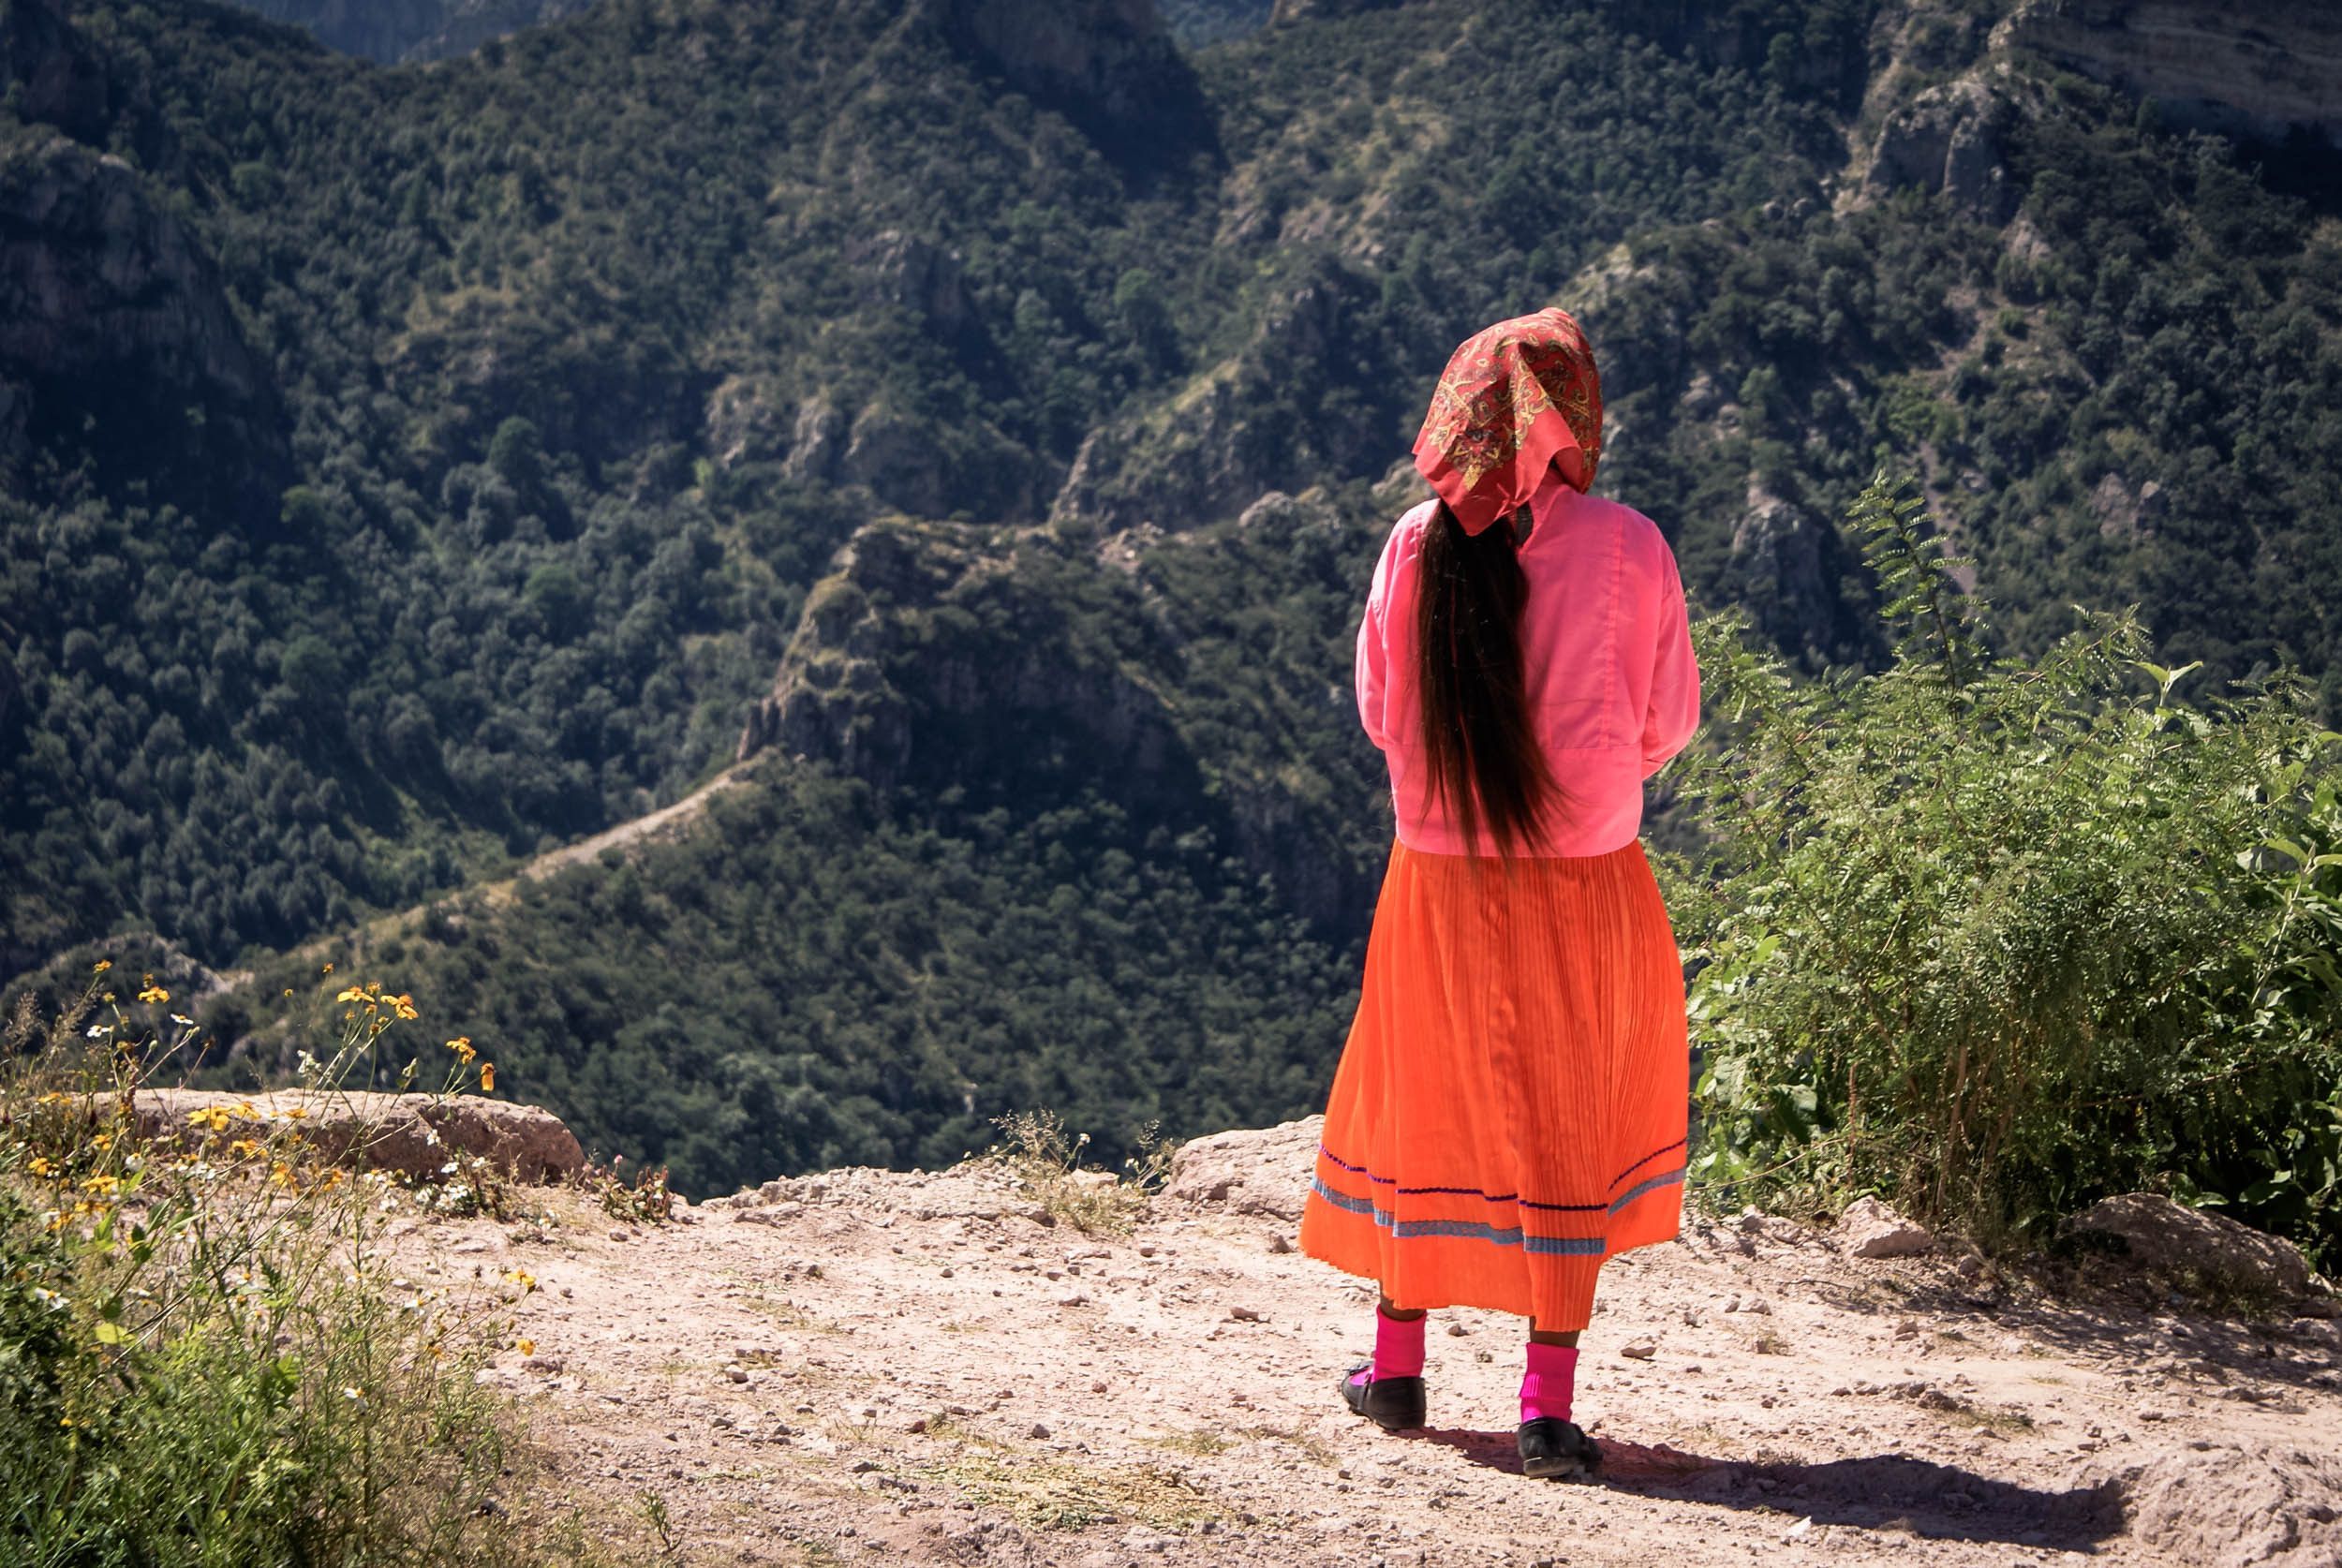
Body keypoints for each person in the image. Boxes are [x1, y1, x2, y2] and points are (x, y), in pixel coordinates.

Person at [1295, 306, 1701, 1482]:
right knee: (1568, 1115)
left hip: (1434, 881)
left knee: (1421, 1102)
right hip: (1585, 880)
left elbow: (1380, 717)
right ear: (1574, 419)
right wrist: (1586, 777)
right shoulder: (1632, 546)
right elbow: (1666, 725)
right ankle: (1546, 1404)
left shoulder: (1411, 547)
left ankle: (1396, 1369)